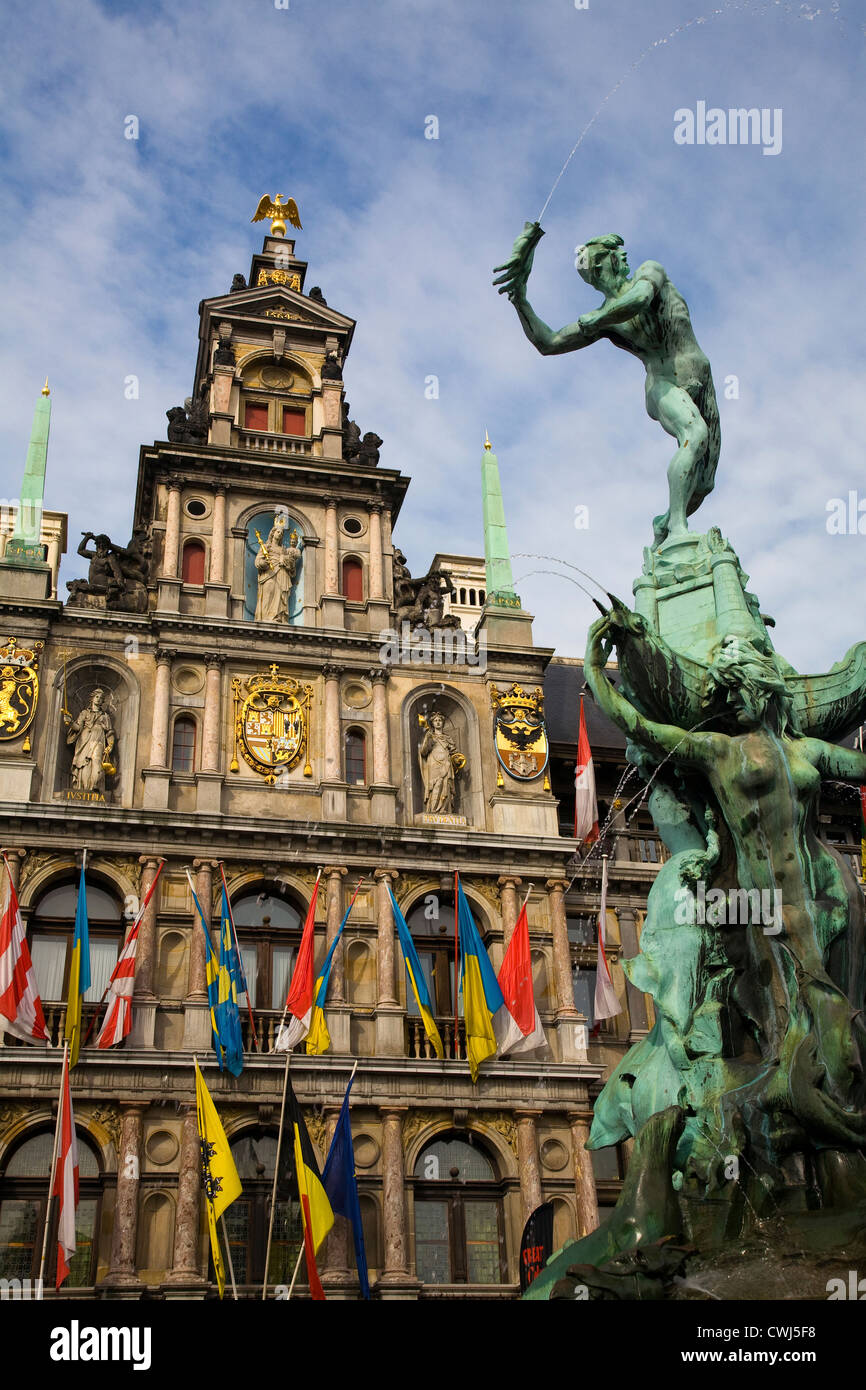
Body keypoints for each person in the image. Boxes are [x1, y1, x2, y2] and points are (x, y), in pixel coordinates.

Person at [585, 608, 866, 1149]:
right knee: (784, 1016)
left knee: (843, 1008)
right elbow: (637, 724)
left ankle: (841, 1121)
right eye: (723, 690)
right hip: (758, 902)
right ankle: (791, 1118)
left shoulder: (805, 750)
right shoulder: (718, 750)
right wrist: (599, 664)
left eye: (736, 689)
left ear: (762, 694)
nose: (727, 698)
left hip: (828, 889)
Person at [493, 223, 720, 547]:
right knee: (694, 435)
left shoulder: (648, 273)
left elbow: (640, 298)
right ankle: (678, 532)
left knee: (703, 484)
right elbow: (549, 342)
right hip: (662, 383)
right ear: (602, 265)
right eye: (616, 252)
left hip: (701, 379)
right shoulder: (603, 317)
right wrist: (520, 299)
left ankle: (664, 524)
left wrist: (598, 322)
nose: (625, 254)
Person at [66, 688, 115, 792]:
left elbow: (110, 732)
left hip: (98, 740)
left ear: (102, 701)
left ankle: (95, 785)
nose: (98, 699)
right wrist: (70, 722)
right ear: (92, 699)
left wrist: (110, 745)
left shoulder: (105, 716)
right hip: (84, 740)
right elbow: (78, 727)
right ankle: (84, 788)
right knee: (84, 764)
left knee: (97, 761)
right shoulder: (84, 713)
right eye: (97, 697)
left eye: (101, 698)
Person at [254, 516, 300, 623]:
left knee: (281, 596)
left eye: (282, 533)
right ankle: (266, 617)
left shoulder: (283, 550)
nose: (280, 534)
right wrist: (264, 563)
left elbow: (292, 569)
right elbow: (257, 561)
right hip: (269, 574)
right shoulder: (266, 547)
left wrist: (287, 562)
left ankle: (280, 618)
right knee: (268, 593)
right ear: (273, 533)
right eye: (278, 532)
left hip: (282, 574)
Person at [419, 711, 460, 814]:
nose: (438, 722)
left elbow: (454, 753)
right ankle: (433, 810)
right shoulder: (430, 736)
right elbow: (423, 752)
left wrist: (458, 760)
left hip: (446, 763)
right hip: (434, 765)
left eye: (440, 720)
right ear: (432, 723)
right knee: (436, 785)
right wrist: (428, 740)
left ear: (442, 722)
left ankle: (444, 809)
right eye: (435, 721)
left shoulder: (447, 738)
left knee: (446, 785)